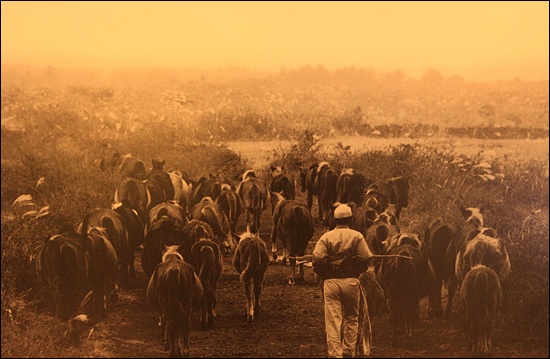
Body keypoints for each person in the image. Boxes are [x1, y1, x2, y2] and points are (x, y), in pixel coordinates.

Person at [312, 204, 374, 358]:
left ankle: (335, 355)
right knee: (352, 318)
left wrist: (325, 273)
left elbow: (317, 258)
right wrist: (356, 268)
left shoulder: (326, 237)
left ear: (334, 220)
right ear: (351, 219)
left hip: (331, 283)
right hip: (351, 282)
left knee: (333, 321)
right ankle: (348, 351)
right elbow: (367, 257)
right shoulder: (357, 236)